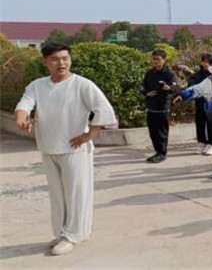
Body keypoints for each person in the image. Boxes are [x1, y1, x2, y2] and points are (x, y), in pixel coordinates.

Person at [15, 43, 117, 255]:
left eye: (65, 58)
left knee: (76, 194)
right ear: (46, 62)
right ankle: (63, 232)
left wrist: (89, 135)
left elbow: (103, 109)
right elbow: (24, 105)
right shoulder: (37, 85)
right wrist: (22, 119)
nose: (61, 63)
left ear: (70, 60)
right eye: (55, 59)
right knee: (57, 195)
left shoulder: (82, 85)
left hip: (74, 148)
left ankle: (73, 235)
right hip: (49, 147)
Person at [142, 49, 177, 163]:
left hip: (163, 107)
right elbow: (143, 87)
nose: (155, 61)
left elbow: (175, 88)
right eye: (154, 59)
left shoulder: (169, 74)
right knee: (153, 132)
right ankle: (157, 152)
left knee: (161, 132)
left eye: (158, 59)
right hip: (151, 106)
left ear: (164, 60)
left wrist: (169, 88)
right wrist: (147, 93)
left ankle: (162, 153)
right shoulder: (149, 73)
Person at [186, 54, 212, 155]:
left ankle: (211, 144)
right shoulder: (196, 76)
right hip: (200, 103)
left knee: (211, 124)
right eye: (205, 62)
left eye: (209, 62)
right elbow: (192, 88)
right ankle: (201, 143)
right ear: (201, 63)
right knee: (200, 124)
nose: (207, 64)